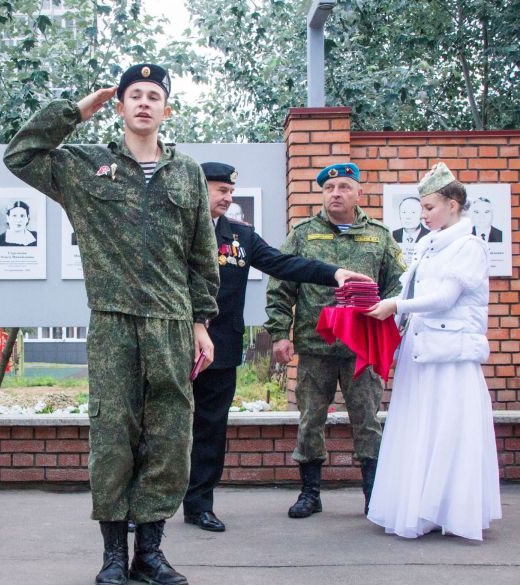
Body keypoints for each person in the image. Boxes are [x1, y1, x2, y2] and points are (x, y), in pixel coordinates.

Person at [3, 64, 219, 585]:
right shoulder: (85, 165)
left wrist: (201, 322)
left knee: (169, 438)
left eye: (154, 96)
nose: (144, 103)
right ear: (119, 107)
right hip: (114, 322)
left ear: (167, 110)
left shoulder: (187, 172)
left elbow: (201, 255)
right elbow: (20, 155)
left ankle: (151, 551)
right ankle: (112, 555)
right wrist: (77, 111)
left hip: (171, 323)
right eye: (133, 96)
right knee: (113, 437)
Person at [183, 162, 372, 532]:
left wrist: (332, 273)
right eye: (220, 190)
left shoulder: (240, 236)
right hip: (173, 344)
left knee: (210, 429)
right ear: (197, 189)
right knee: (158, 426)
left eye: (230, 191)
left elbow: (282, 263)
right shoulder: (174, 230)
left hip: (218, 351)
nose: (228, 197)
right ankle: (140, 508)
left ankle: (199, 504)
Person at [365, 162, 501, 540]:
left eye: (430, 207)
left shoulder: (468, 246)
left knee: (447, 428)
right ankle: (421, 507)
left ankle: (449, 509)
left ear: (454, 204)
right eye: (422, 208)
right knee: (420, 425)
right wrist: (380, 309)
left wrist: (396, 307)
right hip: (422, 348)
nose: (423, 215)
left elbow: (443, 298)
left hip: (450, 354)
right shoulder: (428, 246)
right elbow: (410, 293)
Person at [265, 162, 405, 518]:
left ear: (359, 192)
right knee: (310, 418)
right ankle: (310, 493)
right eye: (329, 188)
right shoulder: (303, 234)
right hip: (316, 346)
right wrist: (280, 334)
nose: (336, 194)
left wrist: (390, 316)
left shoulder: (379, 235)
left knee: (367, 420)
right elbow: (281, 286)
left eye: (344, 187)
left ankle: (374, 496)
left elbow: (399, 283)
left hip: (363, 346)